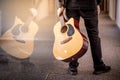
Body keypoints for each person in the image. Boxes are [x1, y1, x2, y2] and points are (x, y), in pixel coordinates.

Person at [57, 0, 111, 75]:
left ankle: (73, 67)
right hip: (90, 4)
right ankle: (99, 66)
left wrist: (61, 5)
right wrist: (98, 3)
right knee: (93, 35)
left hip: (72, 4)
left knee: (72, 35)